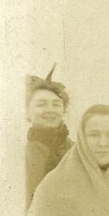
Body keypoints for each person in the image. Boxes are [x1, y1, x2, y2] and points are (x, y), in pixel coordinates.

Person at [26, 70, 72, 203]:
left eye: (56, 104)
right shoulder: (19, 153)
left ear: (63, 110)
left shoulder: (76, 150)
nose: (50, 110)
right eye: (41, 104)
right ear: (28, 112)